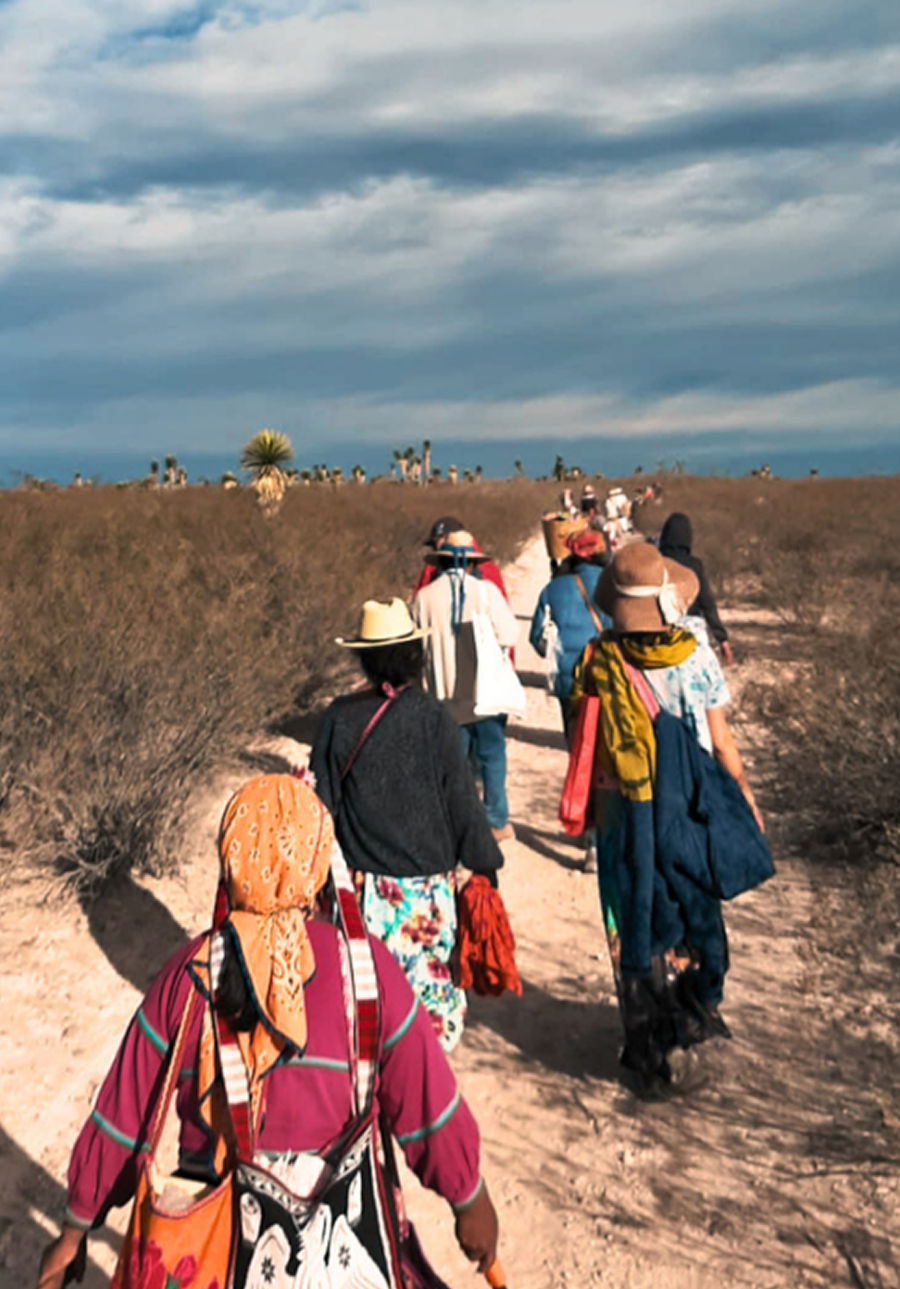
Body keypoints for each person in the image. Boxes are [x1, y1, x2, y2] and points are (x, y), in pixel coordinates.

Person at [35, 774, 499, 1289]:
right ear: (320, 860)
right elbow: (429, 1109)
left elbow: (123, 1118)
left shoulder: (189, 977)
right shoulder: (367, 975)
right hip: (339, 1251)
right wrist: (468, 1198)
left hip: (215, 1249)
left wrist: (75, 1229)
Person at [570, 542, 765, 1097]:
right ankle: (693, 1012)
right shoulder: (697, 655)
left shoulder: (596, 659)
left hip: (623, 813)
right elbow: (721, 741)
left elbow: (585, 743)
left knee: (631, 918)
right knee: (695, 904)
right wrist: (744, 796)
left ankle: (646, 1040)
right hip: (691, 810)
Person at [310, 597, 503, 1051]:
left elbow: (322, 807)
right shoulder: (433, 717)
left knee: (363, 1016)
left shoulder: (339, 717)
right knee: (425, 1028)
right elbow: (460, 798)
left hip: (360, 897)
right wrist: (483, 863)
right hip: (427, 898)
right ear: (414, 656)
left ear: (365, 657)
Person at [411, 531, 519, 844]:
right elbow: (510, 634)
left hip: (443, 696)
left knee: (454, 764)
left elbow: (415, 647)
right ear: (471, 562)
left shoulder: (424, 598)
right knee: (491, 758)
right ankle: (495, 821)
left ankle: (458, 820)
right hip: (485, 693)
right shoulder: (486, 592)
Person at [529, 528, 611, 737]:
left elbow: (536, 636)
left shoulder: (553, 587)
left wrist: (555, 654)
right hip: (607, 674)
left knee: (576, 745)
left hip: (567, 678)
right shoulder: (613, 583)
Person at [658, 512, 733, 664]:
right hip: (691, 636)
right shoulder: (694, 565)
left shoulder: (656, 562)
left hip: (660, 632)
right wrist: (722, 639)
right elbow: (707, 604)